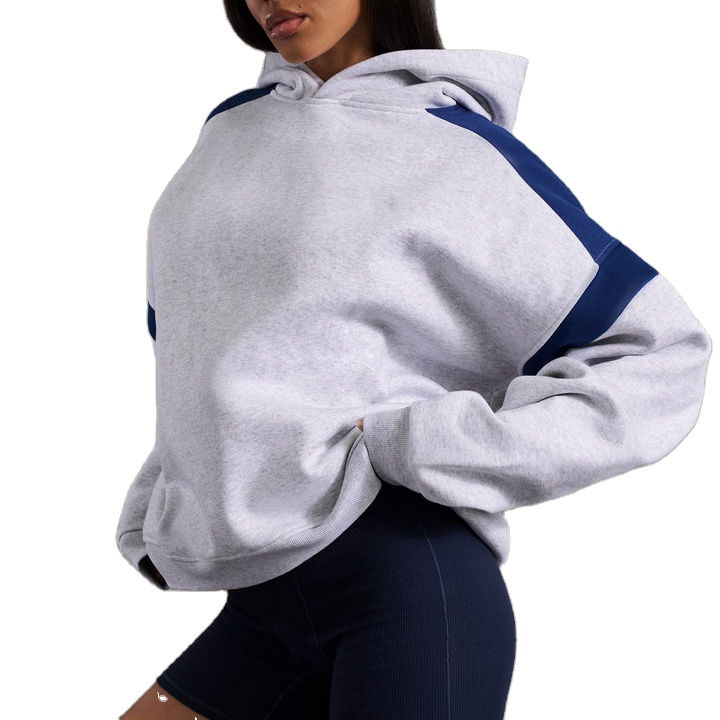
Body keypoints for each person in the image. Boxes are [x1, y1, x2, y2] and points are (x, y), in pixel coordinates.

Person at [116, 0, 713, 718]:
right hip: (263, 597)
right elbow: (198, 346)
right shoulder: (229, 136)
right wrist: (168, 495)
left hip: (404, 591)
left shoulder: (453, 153)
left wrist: (423, 442)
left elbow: (661, 350)